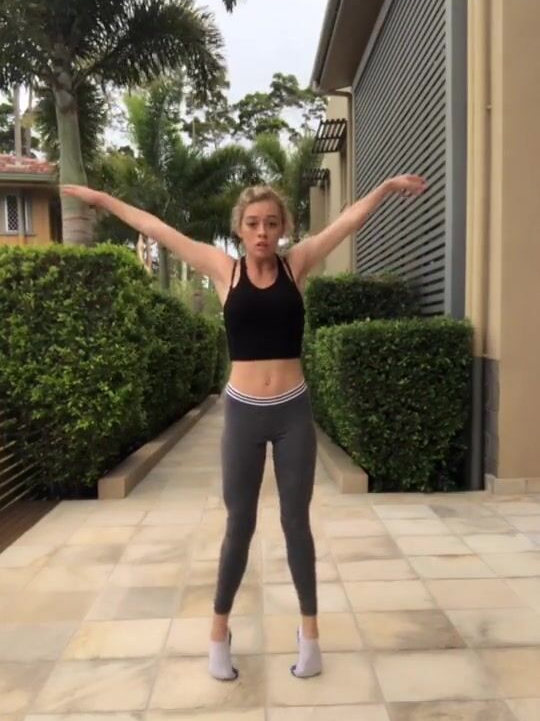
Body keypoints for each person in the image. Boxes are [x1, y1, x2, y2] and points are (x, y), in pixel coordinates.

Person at [62, 174, 427, 680]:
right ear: (240, 228)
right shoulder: (223, 269)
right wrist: (101, 199)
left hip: (293, 410)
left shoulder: (296, 264)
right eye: (253, 223)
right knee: (240, 524)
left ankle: (310, 634)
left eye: (271, 224)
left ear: (282, 229)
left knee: (296, 523)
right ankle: (218, 633)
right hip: (243, 412)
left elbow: (346, 223)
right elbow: (157, 228)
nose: (262, 232)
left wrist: (384, 188)